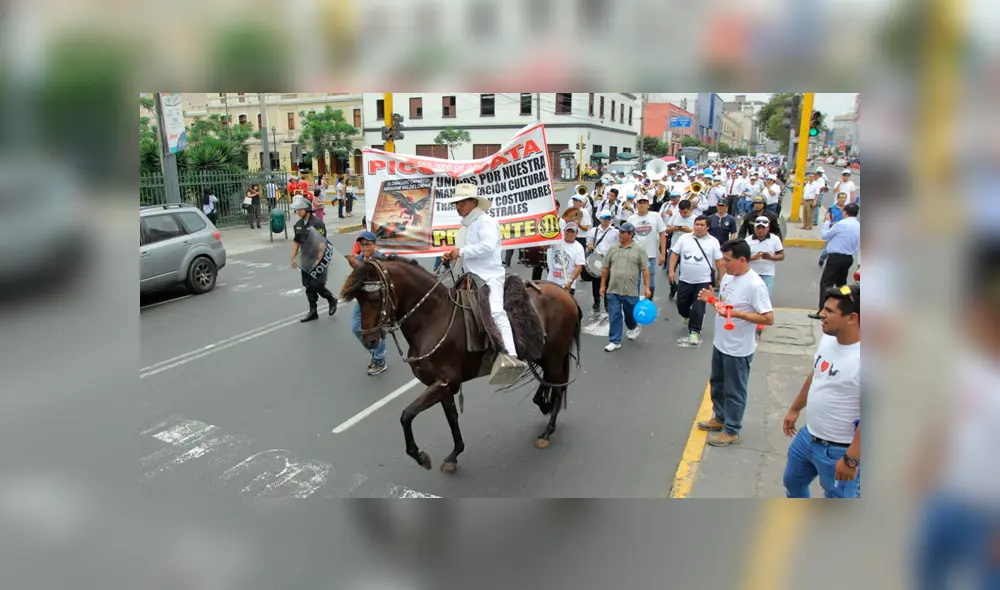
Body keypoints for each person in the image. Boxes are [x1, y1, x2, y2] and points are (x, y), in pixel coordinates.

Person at [782, 284, 861, 498]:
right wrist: (795, 409)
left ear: (851, 318)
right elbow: (817, 373)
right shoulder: (828, 340)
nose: (821, 315)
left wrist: (851, 460)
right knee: (792, 482)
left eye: (829, 311)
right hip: (809, 436)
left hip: (838, 451)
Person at [439, 183, 526, 373]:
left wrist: (460, 251)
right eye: (456, 203)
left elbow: (487, 247)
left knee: (495, 311)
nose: (458, 206)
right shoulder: (466, 225)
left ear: (473, 202)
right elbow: (464, 252)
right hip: (470, 276)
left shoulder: (486, 221)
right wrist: (452, 255)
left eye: (461, 202)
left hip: (489, 276)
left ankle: (512, 357)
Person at [696, 240, 774, 447]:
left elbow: (768, 318)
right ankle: (720, 418)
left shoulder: (755, 285)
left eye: (727, 260)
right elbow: (725, 306)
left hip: (738, 349)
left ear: (742, 260)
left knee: (735, 390)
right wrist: (712, 300)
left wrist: (738, 314)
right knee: (718, 384)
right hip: (721, 343)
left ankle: (732, 430)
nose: (723, 263)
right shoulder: (728, 278)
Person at [670, 216, 724, 344]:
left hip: (703, 281)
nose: (698, 227)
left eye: (701, 225)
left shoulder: (713, 242)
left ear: (707, 227)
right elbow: (675, 254)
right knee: (681, 305)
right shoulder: (684, 238)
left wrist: (721, 278)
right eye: (697, 224)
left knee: (699, 308)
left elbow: (719, 261)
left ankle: (694, 331)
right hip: (685, 280)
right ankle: (688, 317)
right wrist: (671, 271)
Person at [599, 223, 651, 352]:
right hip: (613, 289)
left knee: (630, 316)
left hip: (630, 290)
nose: (619, 234)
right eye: (619, 232)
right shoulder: (613, 249)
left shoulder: (639, 250)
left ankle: (633, 327)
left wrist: (647, 287)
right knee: (614, 315)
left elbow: (645, 269)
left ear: (630, 235)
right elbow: (605, 268)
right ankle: (614, 341)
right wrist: (603, 285)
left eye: (622, 232)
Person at [290, 196, 338, 322]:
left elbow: (322, 243)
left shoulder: (317, 223)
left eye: (300, 210)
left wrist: (318, 260)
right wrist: (293, 258)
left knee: (317, 284)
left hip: (318, 259)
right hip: (305, 259)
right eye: (297, 210)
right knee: (308, 286)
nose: (298, 212)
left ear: (307, 209)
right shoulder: (298, 225)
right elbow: (296, 242)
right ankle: (313, 311)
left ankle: (331, 299)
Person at [809, 203, 860, 319]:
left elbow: (825, 235)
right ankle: (841, 310)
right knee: (841, 285)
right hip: (848, 258)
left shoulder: (842, 224)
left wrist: (827, 222)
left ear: (845, 212)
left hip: (836, 258)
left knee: (826, 284)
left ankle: (822, 311)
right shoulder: (858, 226)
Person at [351, 231, 389, 376]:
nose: (365, 247)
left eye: (368, 244)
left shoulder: (381, 260)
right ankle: (375, 352)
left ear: (375, 245)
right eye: (362, 244)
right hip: (362, 302)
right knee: (356, 328)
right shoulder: (358, 260)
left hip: (377, 302)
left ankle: (379, 360)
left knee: (375, 331)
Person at [626, 194, 667, 300]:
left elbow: (663, 235)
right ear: (636, 205)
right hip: (634, 255)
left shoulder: (656, 217)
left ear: (648, 205)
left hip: (650, 256)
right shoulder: (631, 219)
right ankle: (634, 305)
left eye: (644, 203)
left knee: (650, 283)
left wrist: (663, 254)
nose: (642, 205)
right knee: (635, 281)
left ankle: (649, 303)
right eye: (640, 203)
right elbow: (627, 237)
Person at [586, 210, 620, 314]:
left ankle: (607, 304)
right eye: (604, 218)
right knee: (596, 283)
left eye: (608, 218)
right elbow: (588, 243)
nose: (606, 220)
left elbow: (619, 245)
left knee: (608, 284)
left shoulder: (615, 232)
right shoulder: (593, 231)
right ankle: (597, 300)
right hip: (597, 260)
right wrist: (590, 246)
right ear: (600, 219)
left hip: (610, 261)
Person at [546, 222, 586, 296]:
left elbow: (579, 267)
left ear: (576, 233)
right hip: (552, 282)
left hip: (567, 284)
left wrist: (570, 282)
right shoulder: (557, 241)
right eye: (568, 231)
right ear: (564, 231)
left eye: (572, 232)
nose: (570, 234)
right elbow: (545, 247)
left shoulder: (579, 248)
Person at [817, 192, 848, 267]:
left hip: (842, 232)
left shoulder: (847, 209)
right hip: (832, 231)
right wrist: (831, 223)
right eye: (841, 198)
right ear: (837, 199)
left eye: (844, 198)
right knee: (827, 250)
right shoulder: (831, 208)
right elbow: (825, 219)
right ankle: (822, 258)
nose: (843, 199)